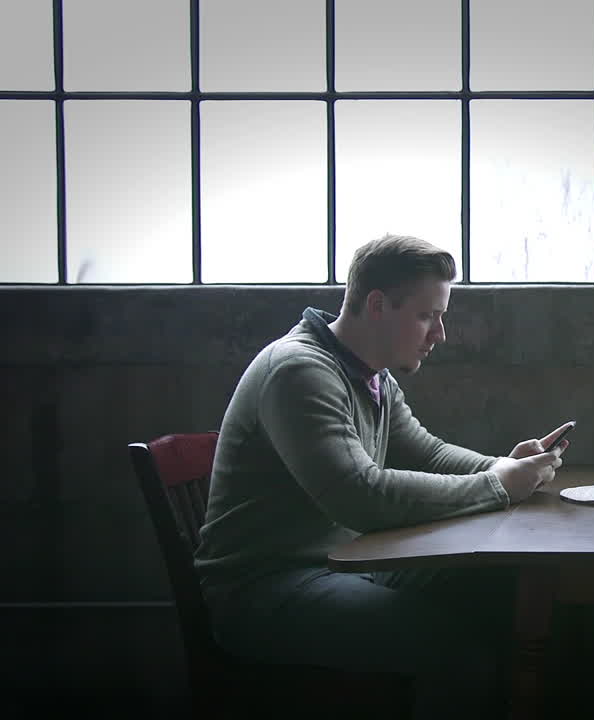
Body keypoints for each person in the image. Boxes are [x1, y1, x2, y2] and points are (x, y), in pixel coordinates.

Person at [193, 233, 571, 716]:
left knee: (500, 589)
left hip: (341, 564)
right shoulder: (299, 372)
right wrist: (497, 486)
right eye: (426, 316)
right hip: (266, 591)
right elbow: (361, 497)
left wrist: (502, 466)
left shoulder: (370, 374)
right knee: (455, 651)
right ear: (377, 306)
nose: (439, 334)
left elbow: (428, 452)